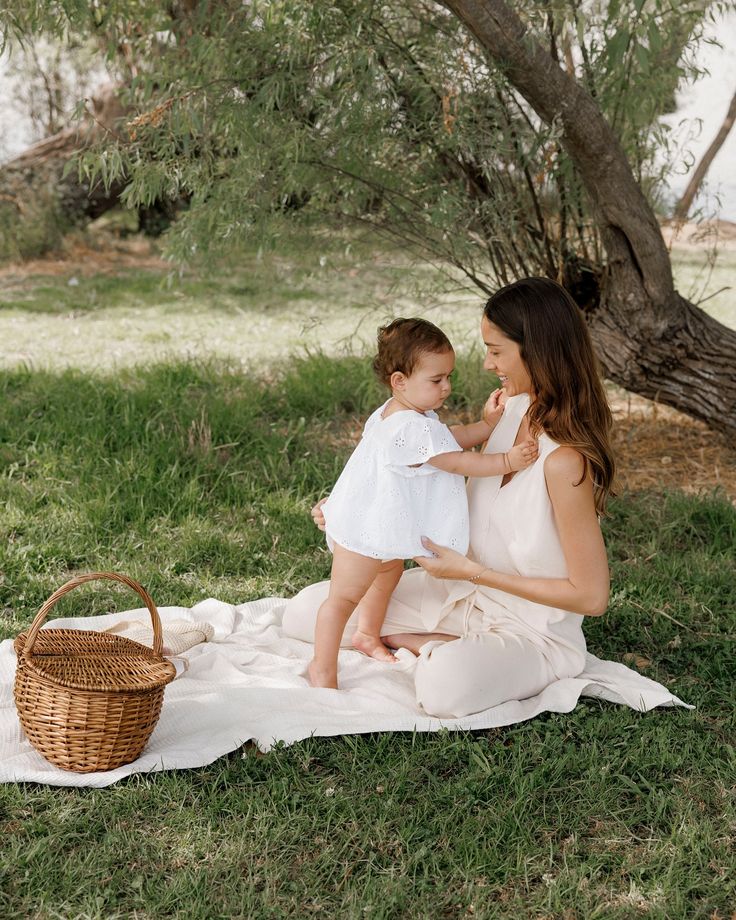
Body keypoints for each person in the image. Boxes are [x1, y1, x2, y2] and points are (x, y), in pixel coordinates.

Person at [284, 277, 615, 716]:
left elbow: (592, 598)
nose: (485, 365)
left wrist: (474, 572)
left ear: (536, 350)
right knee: (303, 613)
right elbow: (420, 470)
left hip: (529, 627)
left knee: (444, 687)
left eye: (495, 350)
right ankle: (435, 640)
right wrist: (355, 508)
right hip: (458, 595)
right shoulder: (510, 411)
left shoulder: (563, 461)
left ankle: (426, 645)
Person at [308, 317, 539, 689]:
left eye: (449, 377)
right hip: (363, 530)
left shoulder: (402, 412)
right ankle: (322, 668)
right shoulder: (409, 427)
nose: (446, 387)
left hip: (382, 523)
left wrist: (486, 426)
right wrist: (507, 461)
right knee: (342, 598)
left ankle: (366, 634)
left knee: (389, 573)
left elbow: (448, 438)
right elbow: (457, 460)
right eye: (437, 380)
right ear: (400, 381)